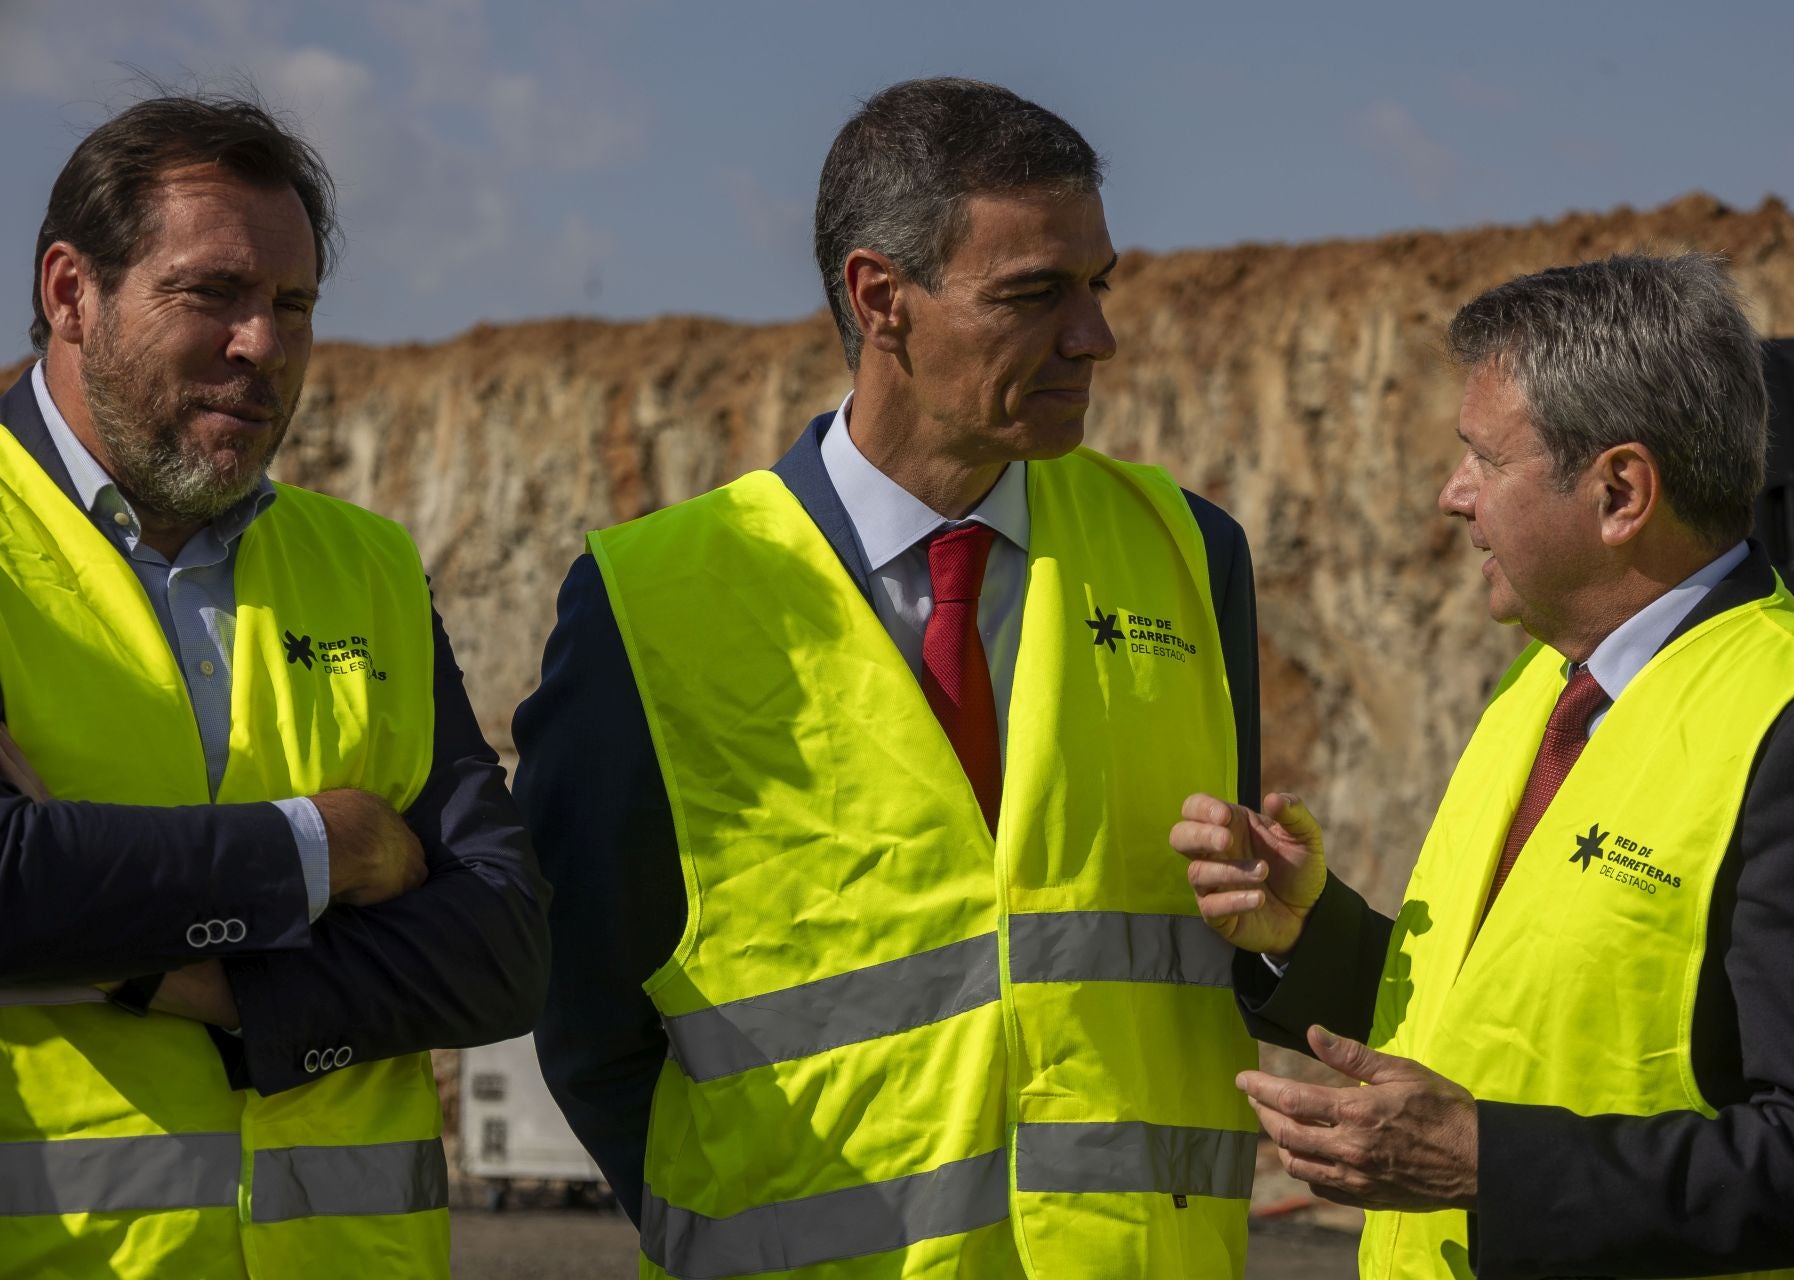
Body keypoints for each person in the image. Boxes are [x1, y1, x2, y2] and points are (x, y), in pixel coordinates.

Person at [517, 77, 1265, 1279]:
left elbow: (1223, 934)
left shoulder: (1189, 552)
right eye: (1034, 295)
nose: (1095, 337)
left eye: (1098, 284)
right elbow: (586, 1001)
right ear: (882, 299)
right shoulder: (649, 598)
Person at [1174, 253, 1794, 1278]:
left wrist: (1488, 1159)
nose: (1452, 495)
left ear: (1621, 490)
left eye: (1484, 457)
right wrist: (1311, 934)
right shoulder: (1543, 690)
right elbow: (1514, 1021)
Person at [0, 93, 549, 1278]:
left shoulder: (367, 565)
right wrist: (321, 851)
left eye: (291, 304)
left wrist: (168, 973)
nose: (264, 344)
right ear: (68, 293)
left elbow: (504, 943)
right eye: (212, 294)